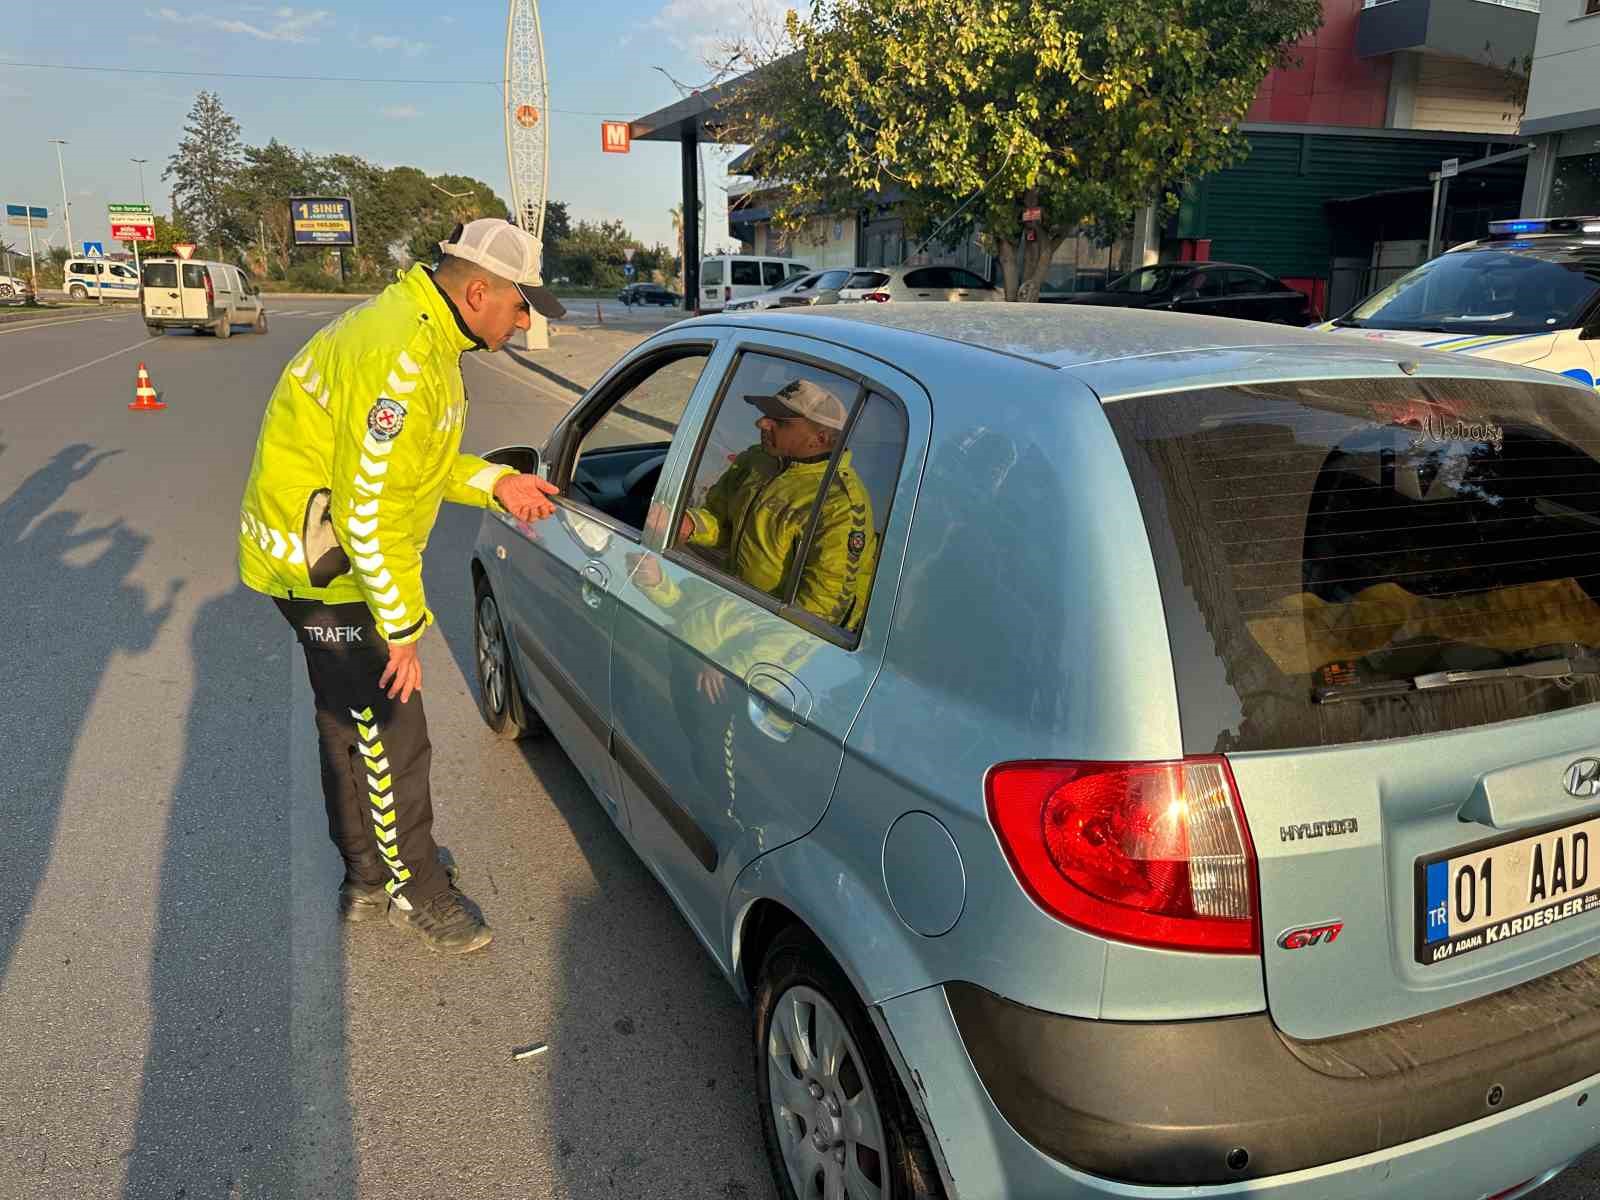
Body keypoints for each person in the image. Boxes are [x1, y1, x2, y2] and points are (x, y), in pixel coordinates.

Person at [236, 218, 565, 954]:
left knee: (348, 723)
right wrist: (402, 625)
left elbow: (419, 467)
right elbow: (369, 507)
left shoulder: (425, 339)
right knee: (392, 731)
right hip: (328, 565)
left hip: (314, 554)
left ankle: (366, 878)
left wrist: (499, 483)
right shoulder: (402, 358)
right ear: (478, 291)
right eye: (521, 306)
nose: (524, 321)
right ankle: (419, 891)